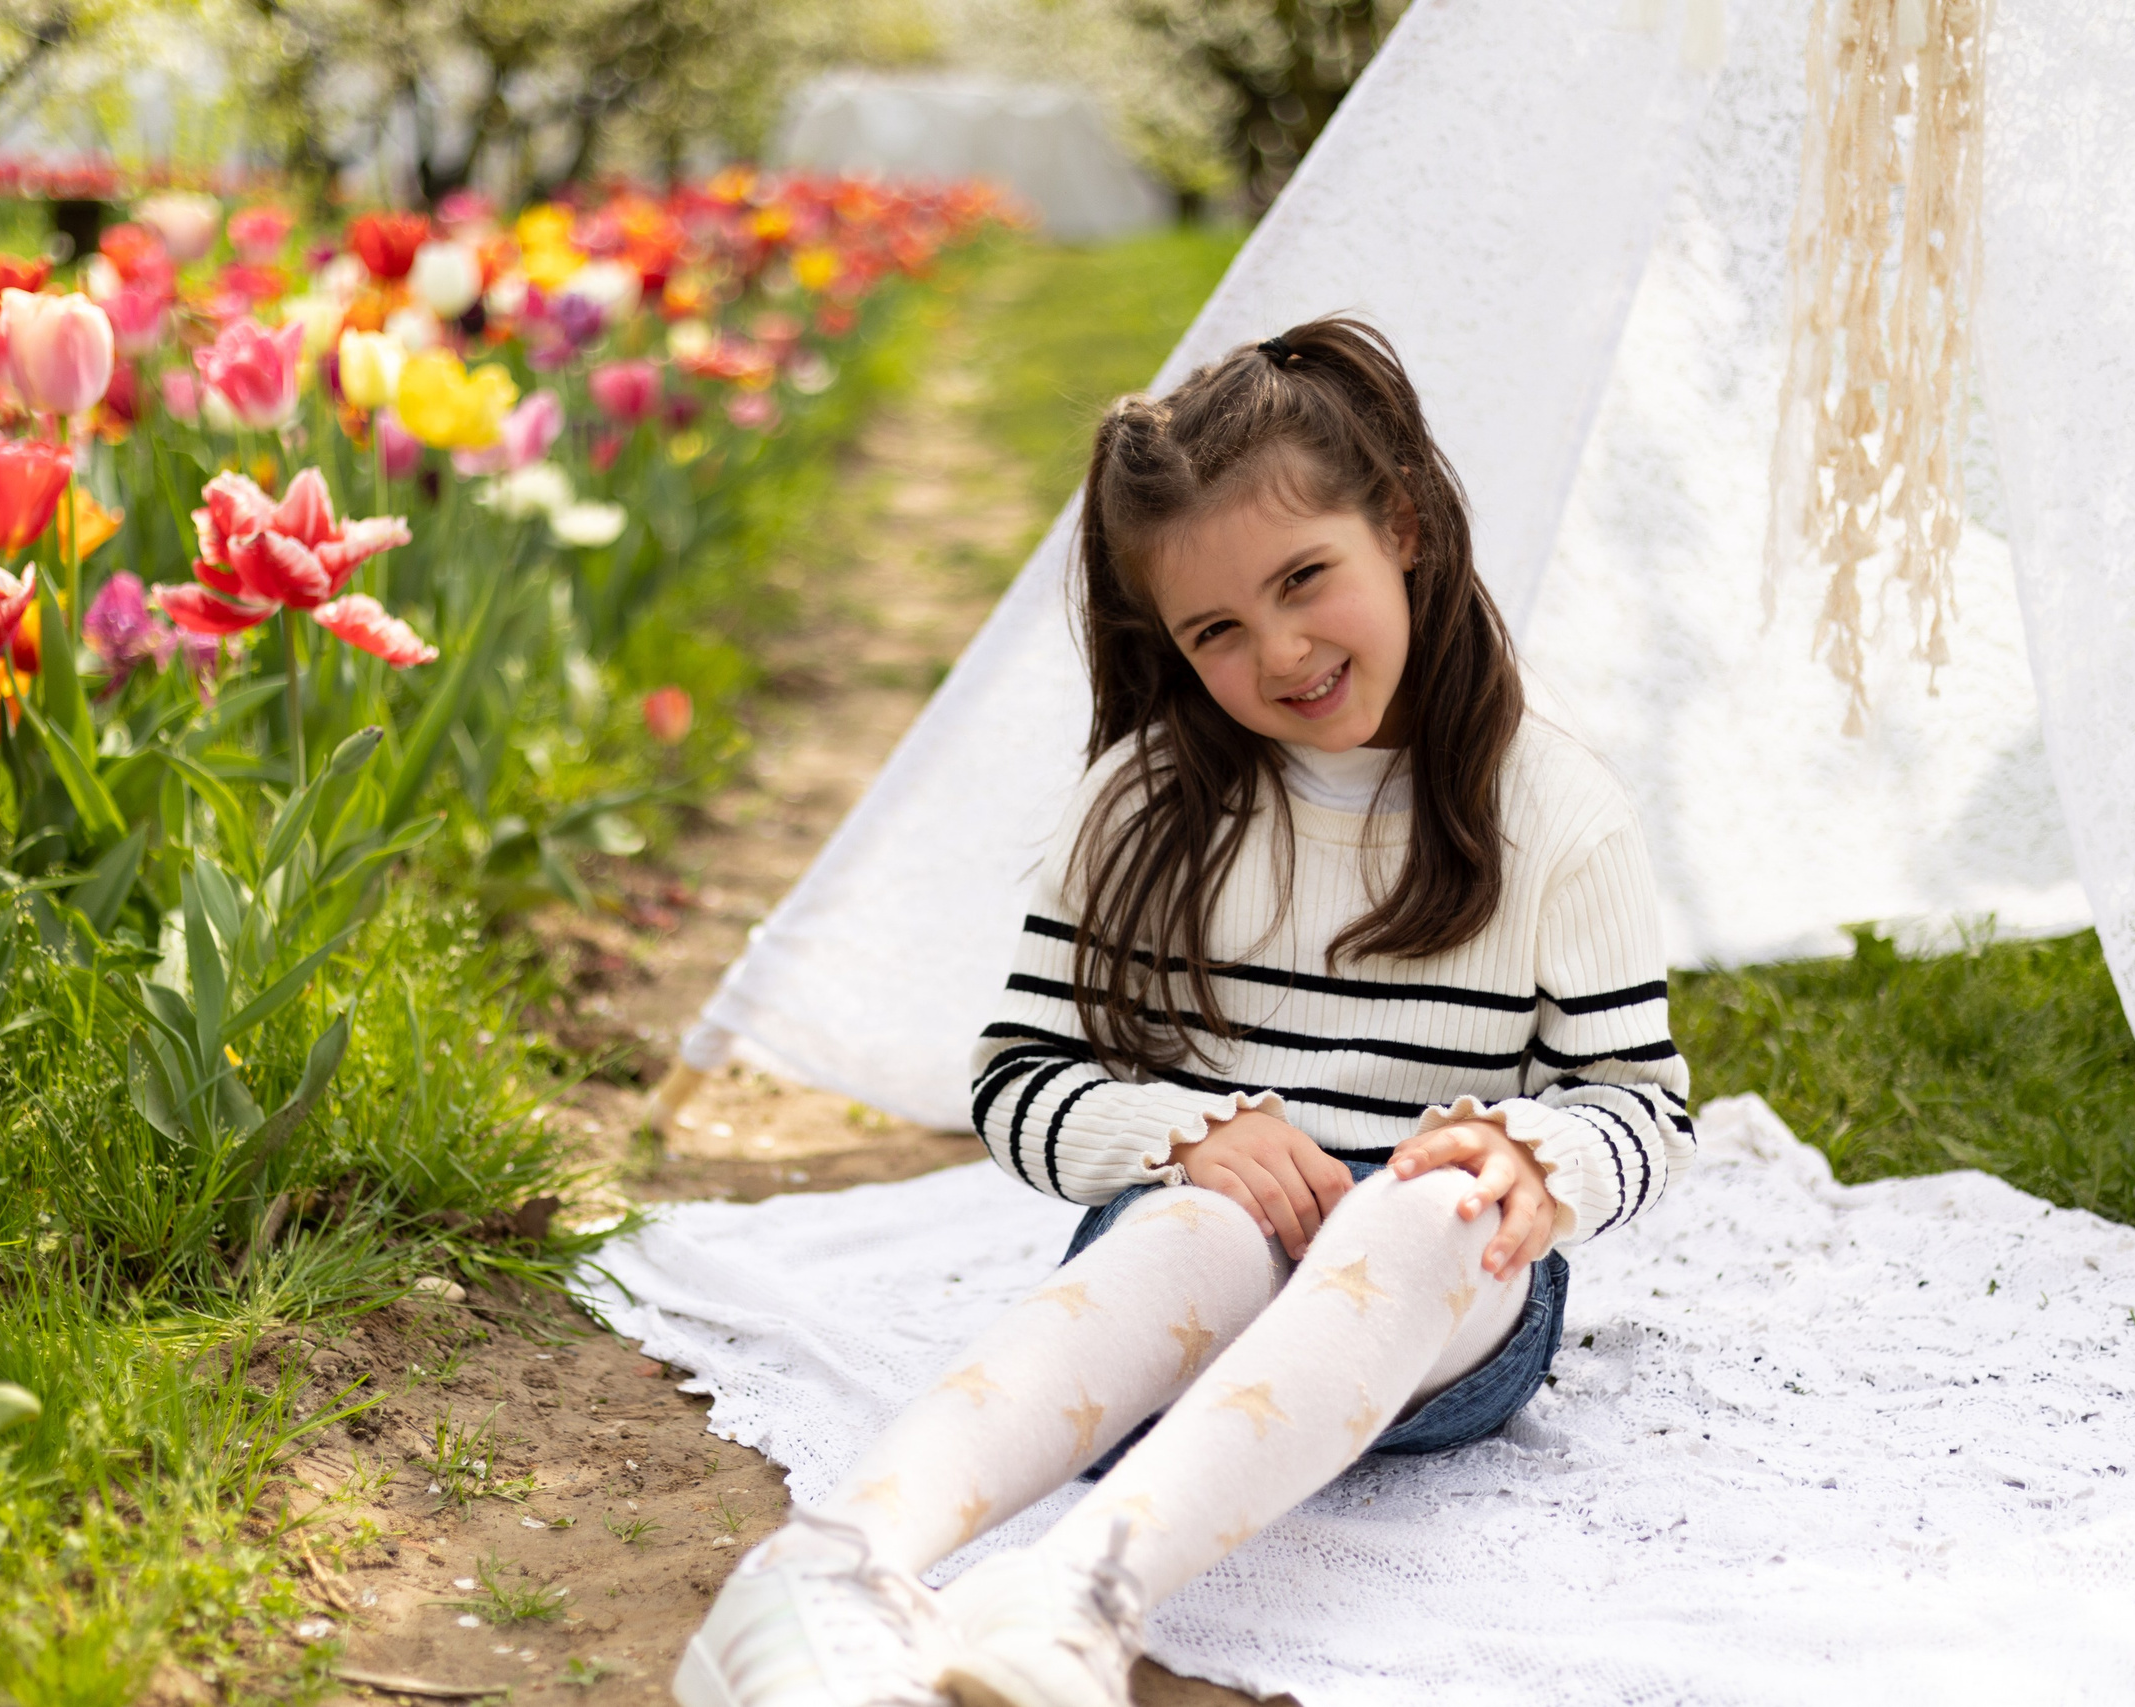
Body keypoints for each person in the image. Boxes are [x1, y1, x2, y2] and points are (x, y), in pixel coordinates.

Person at [676, 318, 1693, 1707]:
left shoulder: (1551, 810)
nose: (1280, 651)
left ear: (1400, 525)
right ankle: (826, 1570)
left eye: (1305, 580)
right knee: (1204, 1226)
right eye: (1218, 628)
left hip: (1435, 1335)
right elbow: (1019, 1079)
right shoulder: (1150, 803)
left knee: (1425, 1204)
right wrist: (1181, 1137)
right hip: (1188, 1298)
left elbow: (1639, 1101)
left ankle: (1074, 1593)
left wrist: (1537, 1161)